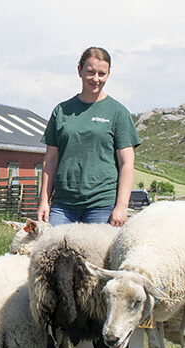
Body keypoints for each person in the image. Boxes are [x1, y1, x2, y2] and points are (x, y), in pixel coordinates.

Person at [37, 47, 140, 227]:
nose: (96, 79)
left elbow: (127, 163)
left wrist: (121, 207)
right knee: (52, 252)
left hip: (101, 206)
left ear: (108, 74)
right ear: (80, 70)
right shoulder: (61, 111)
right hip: (63, 207)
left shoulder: (118, 113)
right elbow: (51, 159)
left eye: (102, 74)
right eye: (90, 72)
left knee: (95, 255)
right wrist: (44, 201)